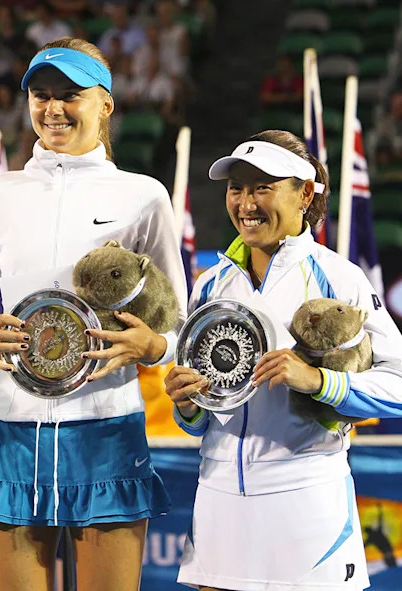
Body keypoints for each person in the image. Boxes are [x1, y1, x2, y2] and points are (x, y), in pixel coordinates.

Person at [0, 38, 186, 591]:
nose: (52, 109)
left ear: (105, 105)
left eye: (69, 95)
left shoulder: (143, 195)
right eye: (41, 95)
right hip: (11, 426)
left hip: (107, 426)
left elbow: (177, 326)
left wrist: (149, 347)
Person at [168, 130, 402, 591]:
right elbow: (203, 419)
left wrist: (317, 380)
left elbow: (398, 384)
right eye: (237, 188)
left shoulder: (340, 278)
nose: (246, 203)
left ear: (305, 194)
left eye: (263, 187)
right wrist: (189, 404)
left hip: (306, 500)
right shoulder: (210, 286)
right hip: (218, 498)